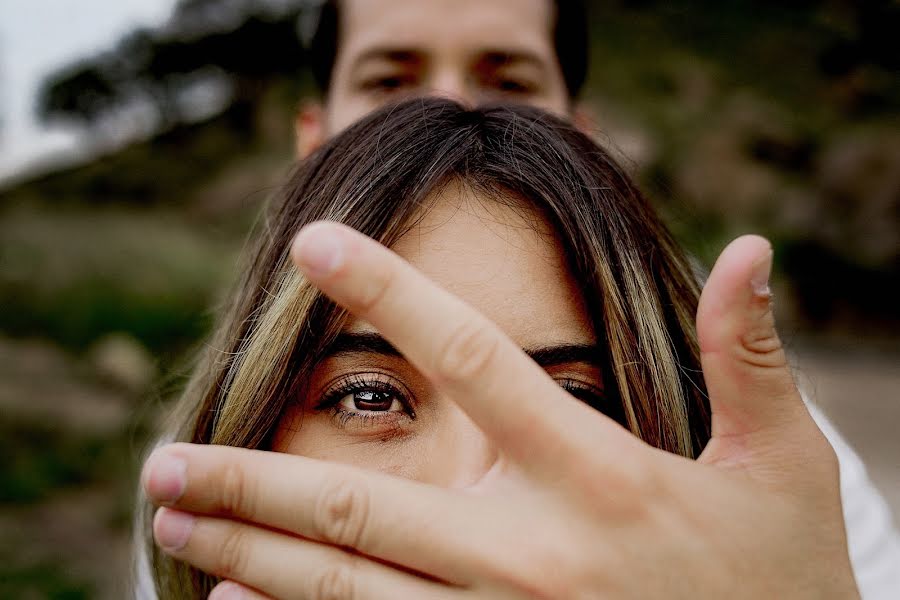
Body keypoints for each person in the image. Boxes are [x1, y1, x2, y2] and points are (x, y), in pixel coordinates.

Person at [140, 0, 900, 597]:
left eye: (508, 83)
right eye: (368, 397)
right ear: (313, 141)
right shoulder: (217, 496)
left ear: (580, 138)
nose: (446, 109)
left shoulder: (771, 468)